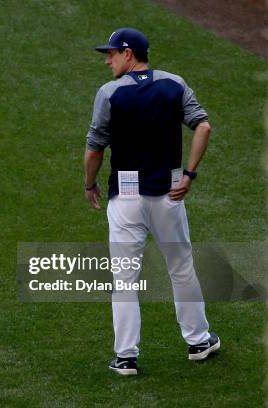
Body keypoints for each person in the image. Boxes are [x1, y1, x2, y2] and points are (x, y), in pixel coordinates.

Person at [83, 28, 219, 375]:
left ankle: (126, 357)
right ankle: (199, 341)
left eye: (112, 53)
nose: (107, 59)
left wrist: (89, 184)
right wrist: (188, 175)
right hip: (169, 195)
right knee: (181, 268)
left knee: (125, 280)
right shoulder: (174, 84)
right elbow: (202, 126)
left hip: (126, 198)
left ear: (129, 54)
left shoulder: (109, 93)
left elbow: (95, 147)